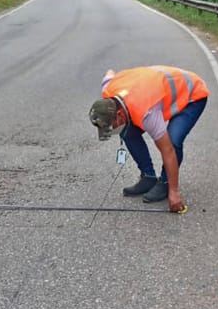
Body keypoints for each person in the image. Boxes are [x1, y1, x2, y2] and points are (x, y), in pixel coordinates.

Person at [89, 66, 209, 213]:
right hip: (157, 90)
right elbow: (109, 73)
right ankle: (148, 177)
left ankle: (166, 184)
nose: (112, 129)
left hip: (192, 94)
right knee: (127, 132)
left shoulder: (147, 113)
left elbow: (168, 150)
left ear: (119, 114)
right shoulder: (109, 91)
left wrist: (174, 192)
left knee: (173, 140)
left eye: (111, 125)